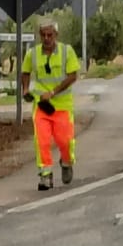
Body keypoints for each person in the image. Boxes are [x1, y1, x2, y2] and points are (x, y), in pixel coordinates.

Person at [19, 20, 81, 192]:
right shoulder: (32, 54)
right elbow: (25, 72)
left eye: (50, 35)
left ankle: (67, 162)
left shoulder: (66, 52)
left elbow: (72, 76)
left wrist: (53, 92)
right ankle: (45, 175)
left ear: (56, 35)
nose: (46, 39)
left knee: (65, 141)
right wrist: (25, 90)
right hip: (41, 106)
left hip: (62, 105)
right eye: (43, 35)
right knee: (42, 141)